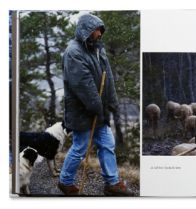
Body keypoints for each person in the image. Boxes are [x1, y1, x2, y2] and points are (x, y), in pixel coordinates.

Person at [58, 14, 132, 196]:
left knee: (107, 144)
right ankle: (65, 181)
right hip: (83, 110)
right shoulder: (73, 52)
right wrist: (98, 109)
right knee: (80, 147)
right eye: (97, 30)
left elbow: (109, 78)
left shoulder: (97, 48)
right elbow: (84, 86)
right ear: (87, 31)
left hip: (98, 109)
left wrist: (112, 102)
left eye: (100, 30)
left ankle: (112, 183)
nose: (100, 33)